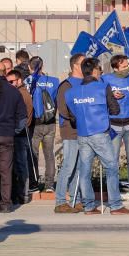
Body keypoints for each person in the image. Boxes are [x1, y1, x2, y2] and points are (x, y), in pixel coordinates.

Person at [64, 57, 129, 215]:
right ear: (95, 70)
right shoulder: (103, 87)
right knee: (111, 168)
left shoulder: (71, 92)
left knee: (85, 171)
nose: (101, 72)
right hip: (100, 133)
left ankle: (88, 206)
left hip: (82, 134)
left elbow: (72, 116)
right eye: (100, 69)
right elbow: (115, 110)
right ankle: (115, 205)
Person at [102, 54, 129, 202]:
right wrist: (111, 95)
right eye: (124, 66)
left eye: (128, 65)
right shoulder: (105, 80)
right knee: (112, 160)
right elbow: (101, 98)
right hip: (113, 125)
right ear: (115, 67)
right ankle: (112, 192)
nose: (127, 68)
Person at [53, 54, 86, 213]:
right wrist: (79, 119)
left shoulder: (86, 84)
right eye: (83, 63)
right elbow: (63, 109)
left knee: (79, 168)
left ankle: (75, 199)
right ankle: (60, 201)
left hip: (84, 131)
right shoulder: (66, 85)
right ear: (75, 66)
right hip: (71, 131)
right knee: (69, 166)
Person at [28, 56, 59, 193]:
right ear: (42, 66)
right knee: (49, 154)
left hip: (35, 123)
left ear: (30, 67)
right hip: (50, 122)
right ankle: (49, 185)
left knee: (33, 154)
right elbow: (57, 101)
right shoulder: (54, 81)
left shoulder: (30, 81)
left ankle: (33, 183)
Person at [0, 64, 28, 213]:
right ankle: (6, 203)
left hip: (5, 132)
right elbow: (22, 117)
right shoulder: (13, 92)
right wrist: (13, 131)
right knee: (6, 171)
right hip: (6, 134)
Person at [6, 66, 34, 205]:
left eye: (12, 81)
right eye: (7, 82)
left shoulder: (21, 94)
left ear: (19, 80)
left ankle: (23, 194)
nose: (9, 84)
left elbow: (24, 118)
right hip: (18, 133)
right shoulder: (17, 92)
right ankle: (19, 193)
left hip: (20, 134)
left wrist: (15, 130)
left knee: (21, 165)